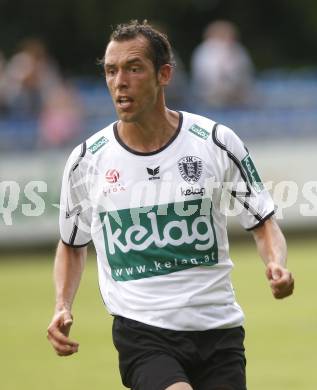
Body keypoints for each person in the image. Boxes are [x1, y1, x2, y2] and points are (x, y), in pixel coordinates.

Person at [47, 20, 294, 390]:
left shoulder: (214, 142)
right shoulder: (88, 160)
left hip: (219, 331)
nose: (119, 81)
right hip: (143, 333)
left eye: (133, 68)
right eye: (111, 71)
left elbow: (263, 222)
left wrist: (276, 263)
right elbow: (72, 245)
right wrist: (62, 305)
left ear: (164, 74)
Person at [191, 20, 254, 108]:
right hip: (210, 98)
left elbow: (246, 77)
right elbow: (207, 80)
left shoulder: (238, 50)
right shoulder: (206, 50)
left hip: (237, 97)